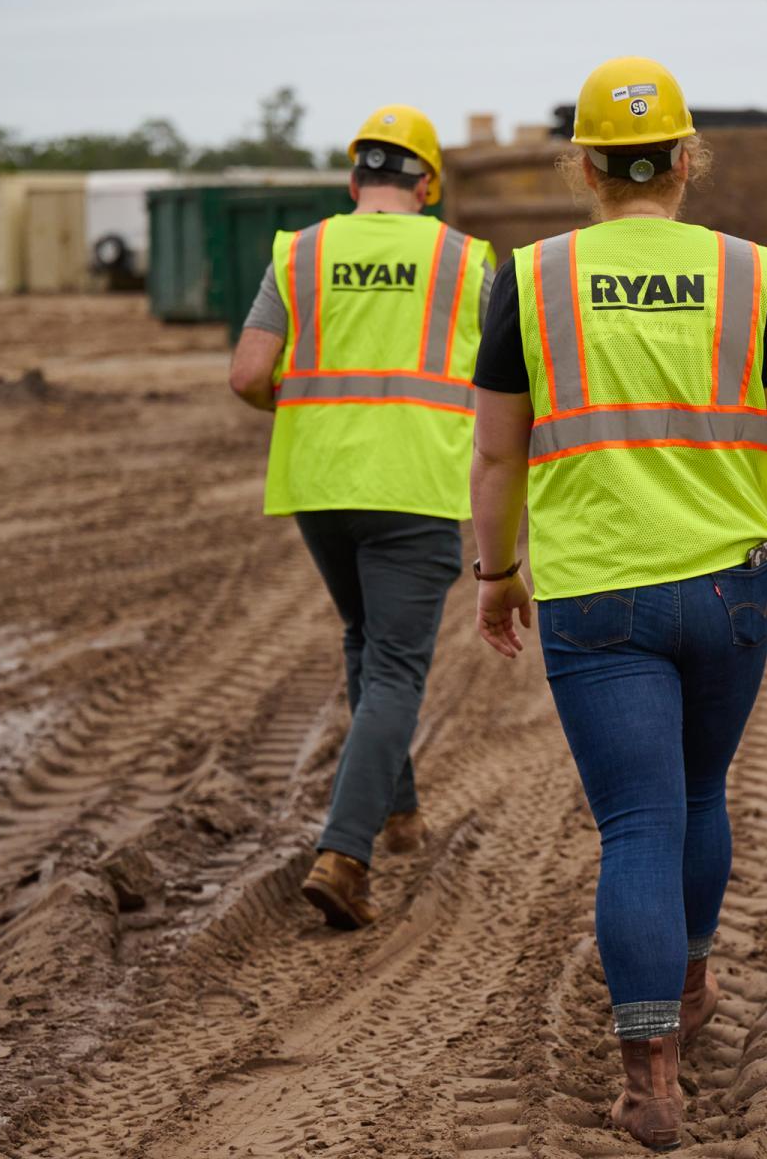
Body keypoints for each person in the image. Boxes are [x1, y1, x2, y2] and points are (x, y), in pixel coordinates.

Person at [468, 56, 767, 1150]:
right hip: (728, 589)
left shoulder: (534, 277)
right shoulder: (751, 274)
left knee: (636, 825)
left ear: (586, 166)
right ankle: (690, 978)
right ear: (688, 161)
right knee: (698, 796)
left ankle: (651, 1076)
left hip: (599, 597)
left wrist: (497, 571)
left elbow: (497, 456)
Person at [227, 104, 496, 930]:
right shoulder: (462, 259)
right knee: (395, 670)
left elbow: (247, 375)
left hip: (319, 485)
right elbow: (506, 379)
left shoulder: (301, 253)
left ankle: (397, 811)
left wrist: (318, 414)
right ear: (427, 185)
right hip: (415, 484)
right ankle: (345, 854)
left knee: (365, 642)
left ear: (355, 182)